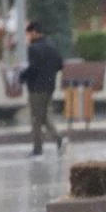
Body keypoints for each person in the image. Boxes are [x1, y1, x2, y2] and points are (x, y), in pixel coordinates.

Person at [20, 21, 65, 157]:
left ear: (34, 32)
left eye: (29, 34)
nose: (28, 37)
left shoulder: (33, 49)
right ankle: (59, 139)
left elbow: (33, 68)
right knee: (44, 116)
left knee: (36, 119)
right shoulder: (51, 47)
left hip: (36, 88)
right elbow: (60, 64)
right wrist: (48, 72)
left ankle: (37, 149)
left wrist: (23, 75)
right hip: (49, 87)